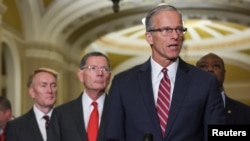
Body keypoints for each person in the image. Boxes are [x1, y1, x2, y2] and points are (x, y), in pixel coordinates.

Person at [104, 4, 225, 141]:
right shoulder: (123, 83)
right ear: (149, 37)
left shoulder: (205, 82)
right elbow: (112, 137)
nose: (175, 36)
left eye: (179, 29)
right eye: (167, 30)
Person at [47, 51, 111, 141]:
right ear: (81, 75)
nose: (100, 73)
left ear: (109, 76)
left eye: (104, 69)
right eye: (93, 68)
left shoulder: (121, 111)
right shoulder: (60, 114)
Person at [5, 67, 58, 141]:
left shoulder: (68, 121)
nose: (49, 90)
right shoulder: (16, 127)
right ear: (32, 92)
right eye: (43, 85)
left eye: (53, 85)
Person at [196, 52, 250, 124]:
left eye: (216, 65)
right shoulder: (183, 111)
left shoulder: (245, 112)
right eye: (203, 66)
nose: (210, 69)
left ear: (224, 73)